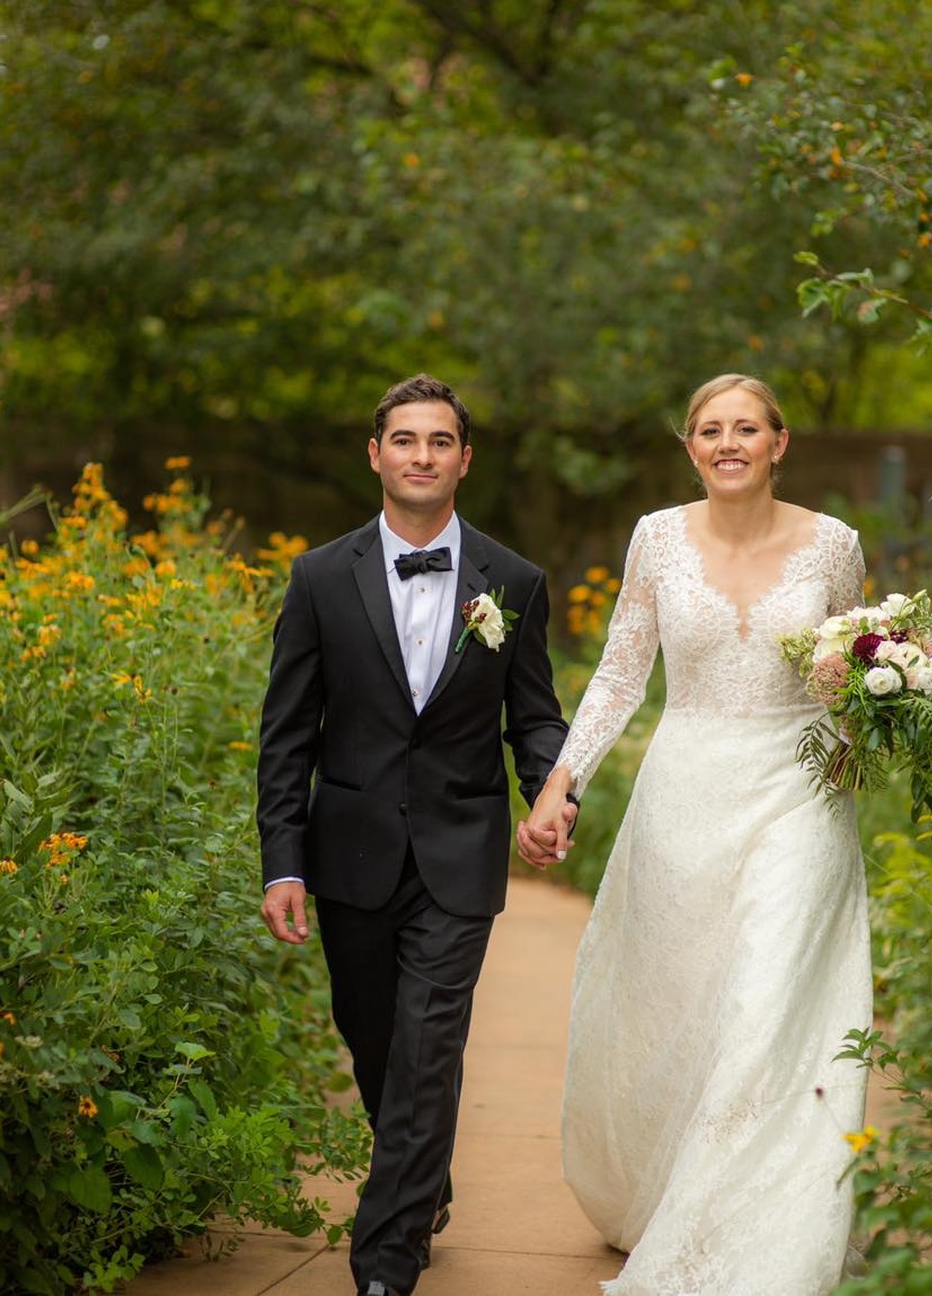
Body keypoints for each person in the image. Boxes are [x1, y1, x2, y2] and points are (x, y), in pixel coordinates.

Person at [518, 373, 873, 1295]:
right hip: (684, 796)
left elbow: (854, 677)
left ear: (778, 442)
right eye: (709, 430)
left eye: (745, 428)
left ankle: (759, 1236)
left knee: (768, 1007)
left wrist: (867, 724)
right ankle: (667, 1189)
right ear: (689, 446)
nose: (728, 443)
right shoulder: (657, 540)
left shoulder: (835, 545)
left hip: (801, 796)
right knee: (683, 1012)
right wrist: (562, 784)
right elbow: (619, 677)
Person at [257, 373, 573, 1296]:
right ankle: (422, 1175)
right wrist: (284, 862)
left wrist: (553, 794)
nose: (421, 456)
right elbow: (287, 734)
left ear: (464, 460)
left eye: (440, 442)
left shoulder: (513, 581)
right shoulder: (319, 577)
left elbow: (535, 718)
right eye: (405, 440)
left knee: (429, 1048)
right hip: (347, 851)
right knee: (375, 1041)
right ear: (376, 453)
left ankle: (385, 1262)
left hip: (458, 853)